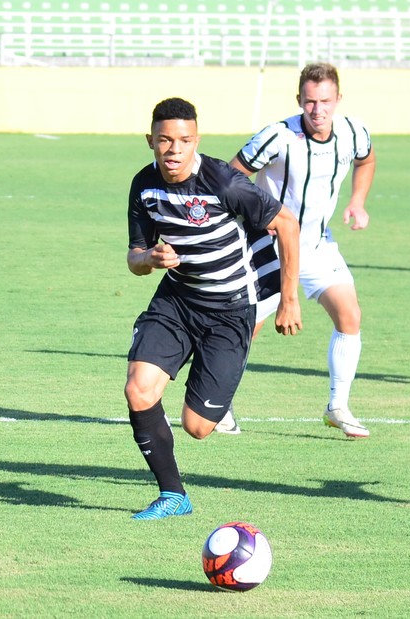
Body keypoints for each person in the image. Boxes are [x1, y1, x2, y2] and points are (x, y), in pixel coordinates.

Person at [125, 97, 302, 520]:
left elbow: (286, 225)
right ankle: (173, 496)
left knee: (197, 426)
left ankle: (221, 371)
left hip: (230, 309)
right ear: (150, 140)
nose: (174, 150)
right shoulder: (143, 185)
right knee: (138, 388)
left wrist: (289, 299)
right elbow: (134, 258)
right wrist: (150, 259)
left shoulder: (224, 182)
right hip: (178, 299)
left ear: (196, 141)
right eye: (165, 140)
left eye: (184, 141)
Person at [225, 62, 376, 439]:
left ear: (338, 99)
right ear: (299, 101)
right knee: (248, 328)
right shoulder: (277, 136)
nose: (318, 110)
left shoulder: (353, 132)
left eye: (325, 101)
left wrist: (357, 201)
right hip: (268, 247)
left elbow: (367, 159)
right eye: (310, 102)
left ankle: (337, 406)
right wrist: (250, 219)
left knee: (350, 315)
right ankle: (219, 402)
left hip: (317, 244)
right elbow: (230, 176)